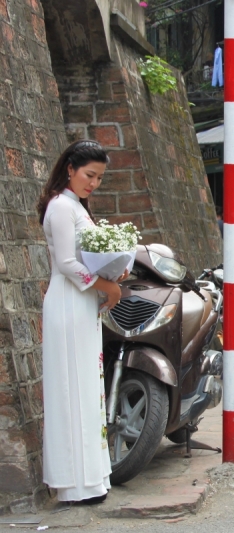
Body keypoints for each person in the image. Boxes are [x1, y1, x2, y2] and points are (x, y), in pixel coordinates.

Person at [37, 140, 126, 504]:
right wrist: (108, 286)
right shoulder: (61, 207)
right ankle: (73, 483)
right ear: (70, 169)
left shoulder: (76, 206)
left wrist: (112, 271)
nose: (94, 183)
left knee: (88, 389)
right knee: (70, 388)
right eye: (90, 175)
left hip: (82, 301)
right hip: (67, 301)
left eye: (100, 178)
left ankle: (91, 479)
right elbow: (66, 264)